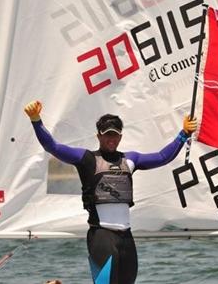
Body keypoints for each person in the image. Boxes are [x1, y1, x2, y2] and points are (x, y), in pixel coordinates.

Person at [24, 100, 197, 284]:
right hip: (101, 235)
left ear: (121, 137)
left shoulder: (130, 159)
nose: (111, 139)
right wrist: (36, 120)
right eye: (107, 135)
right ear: (98, 136)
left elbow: (163, 157)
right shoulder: (87, 159)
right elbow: (54, 147)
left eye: (115, 135)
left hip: (126, 237)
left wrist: (184, 134)